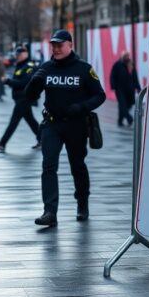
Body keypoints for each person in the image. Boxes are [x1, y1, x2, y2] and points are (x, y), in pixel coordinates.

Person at [25, 30, 106, 226]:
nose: (56, 49)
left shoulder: (84, 69)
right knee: (48, 166)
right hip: (52, 124)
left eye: (60, 45)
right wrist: (35, 82)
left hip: (76, 125)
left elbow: (99, 95)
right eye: (54, 45)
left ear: (71, 45)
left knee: (77, 166)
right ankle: (50, 212)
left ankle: (82, 202)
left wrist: (81, 107)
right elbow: (29, 97)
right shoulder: (46, 68)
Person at [0, 46, 40, 152]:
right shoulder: (20, 65)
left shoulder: (29, 66)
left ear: (25, 54)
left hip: (25, 98)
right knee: (31, 120)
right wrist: (9, 81)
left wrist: (8, 81)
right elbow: (18, 80)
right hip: (20, 98)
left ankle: (2, 143)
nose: (17, 57)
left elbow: (24, 83)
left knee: (14, 121)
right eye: (16, 55)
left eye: (19, 55)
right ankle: (43, 139)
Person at [110, 52, 140, 127]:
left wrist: (138, 87)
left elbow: (135, 77)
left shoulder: (131, 64)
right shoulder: (117, 65)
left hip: (130, 90)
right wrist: (113, 86)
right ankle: (129, 118)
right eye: (125, 56)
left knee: (128, 105)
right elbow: (112, 75)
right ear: (122, 57)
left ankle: (120, 120)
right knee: (122, 104)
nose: (127, 57)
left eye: (128, 56)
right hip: (119, 89)